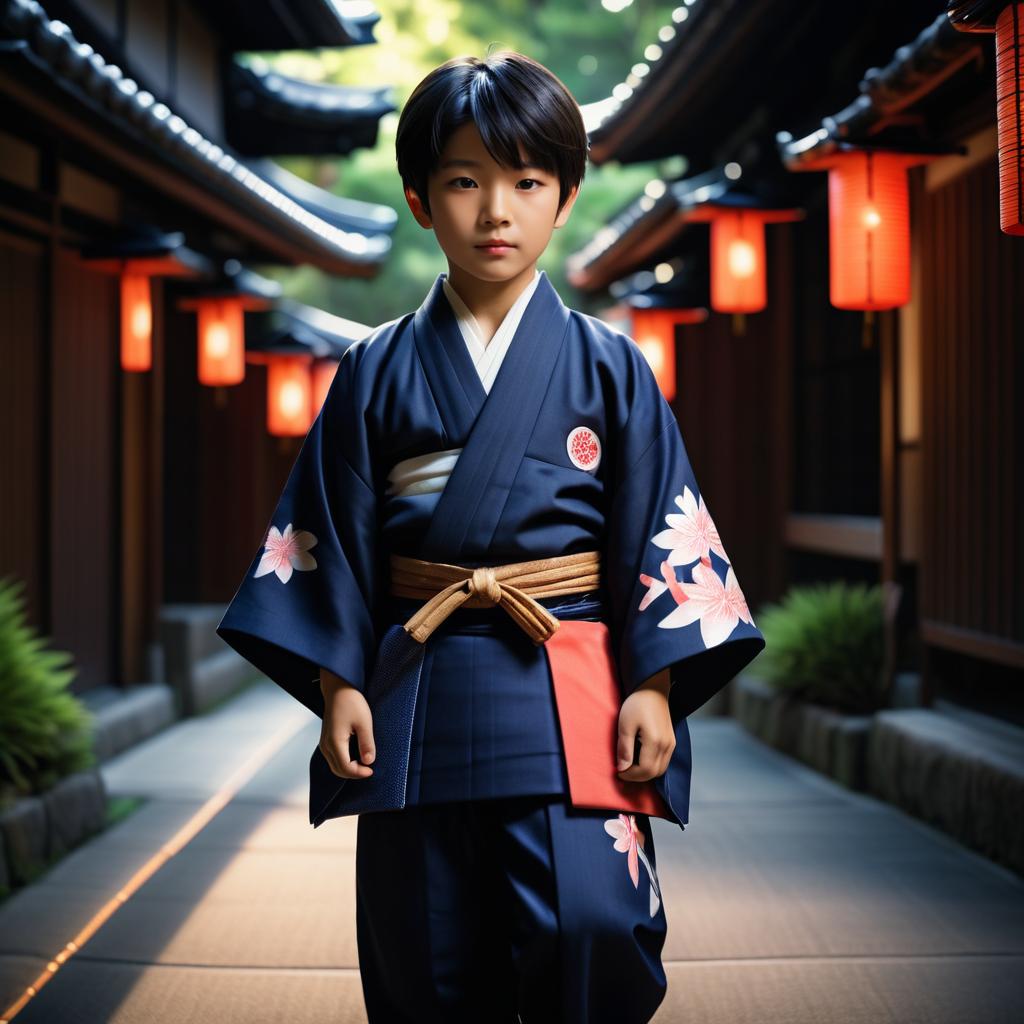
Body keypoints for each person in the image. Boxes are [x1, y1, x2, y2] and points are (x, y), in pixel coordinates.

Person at [216, 50, 765, 1024]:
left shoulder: (610, 368)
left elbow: (655, 523)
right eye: (463, 181)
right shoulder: (375, 370)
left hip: (575, 678)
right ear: (422, 200)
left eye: (525, 181)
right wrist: (337, 681)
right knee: (425, 954)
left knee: (590, 928)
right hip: (415, 685)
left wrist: (655, 683)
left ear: (565, 196)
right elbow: (329, 532)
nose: (494, 211)